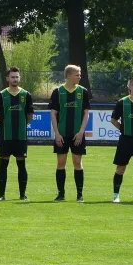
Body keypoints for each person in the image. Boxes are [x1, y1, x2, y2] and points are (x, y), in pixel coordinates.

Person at [0, 67, 34, 201]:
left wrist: (22, 125)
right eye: (12, 77)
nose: (15, 79)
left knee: (21, 165)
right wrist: (3, 125)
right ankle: (1, 194)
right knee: (3, 164)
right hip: (5, 136)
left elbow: (30, 114)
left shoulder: (26, 95)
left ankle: (22, 194)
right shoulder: (1, 95)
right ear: (7, 78)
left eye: (17, 77)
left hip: (21, 136)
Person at [49, 64, 90, 202]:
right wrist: (57, 133)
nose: (79, 76)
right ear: (68, 76)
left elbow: (86, 114)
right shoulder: (57, 92)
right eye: (77, 74)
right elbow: (53, 114)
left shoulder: (83, 91)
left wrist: (81, 132)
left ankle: (80, 195)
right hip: (62, 134)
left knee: (77, 163)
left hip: (77, 134)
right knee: (61, 163)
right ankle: (61, 194)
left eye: (79, 74)